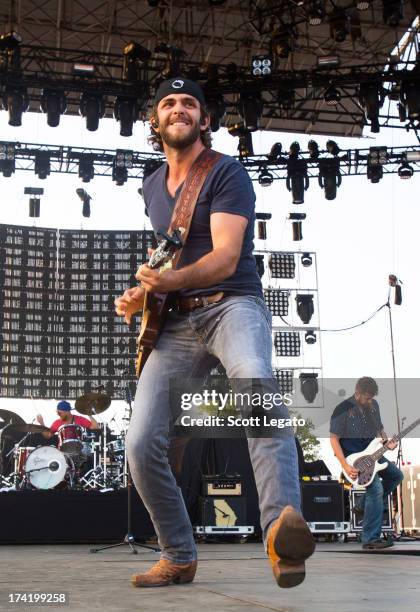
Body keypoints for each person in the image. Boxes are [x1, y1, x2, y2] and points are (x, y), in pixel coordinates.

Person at [115, 77, 315, 589]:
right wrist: (143, 293)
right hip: (177, 321)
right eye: (167, 102)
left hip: (233, 306)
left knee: (256, 386)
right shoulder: (151, 185)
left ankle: (280, 536)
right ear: (155, 121)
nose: (178, 109)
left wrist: (169, 280)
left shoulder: (228, 171)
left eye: (189, 104)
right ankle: (178, 555)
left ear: (205, 120)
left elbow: (225, 257)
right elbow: (170, 252)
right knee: (140, 445)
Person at [330, 377, 403, 550]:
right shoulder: (342, 409)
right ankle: (370, 538)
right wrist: (345, 465)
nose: (370, 400)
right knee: (376, 489)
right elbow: (334, 439)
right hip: (355, 459)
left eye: (372, 397)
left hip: (374, 453)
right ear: (358, 393)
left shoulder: (373, 405)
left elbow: (379, 429)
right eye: (367, 397)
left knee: (396, 476)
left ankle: (362, 505)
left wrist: (387, 443)